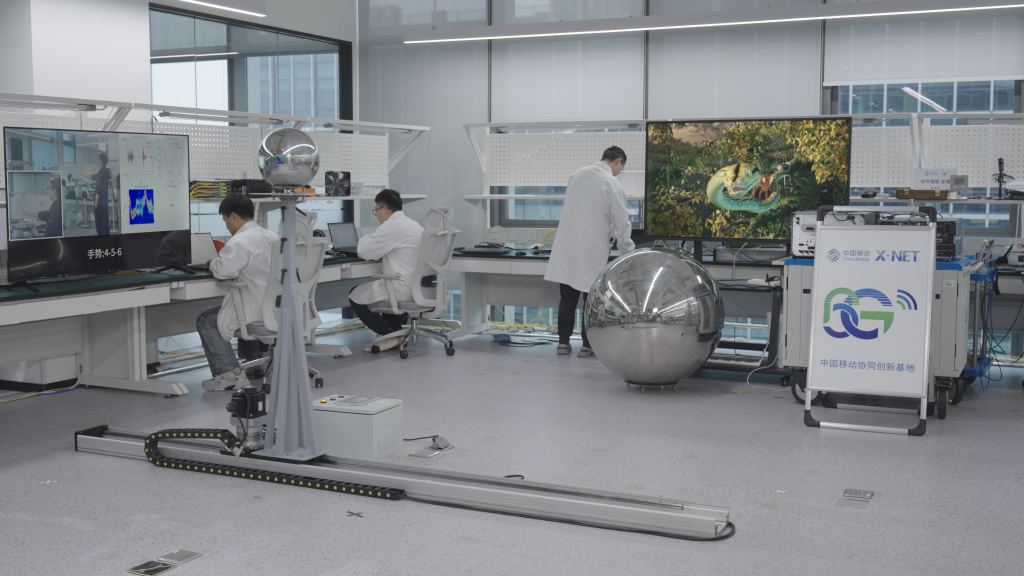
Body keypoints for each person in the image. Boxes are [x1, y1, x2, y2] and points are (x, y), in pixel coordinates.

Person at [544, 146, 636, 357]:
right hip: (590, 250)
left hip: (567, 248)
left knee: (567, 300)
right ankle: (587, 346)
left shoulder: (577, 175)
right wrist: (628, 251)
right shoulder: (611, 183)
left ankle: (563, 344)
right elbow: (621, 223)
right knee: (591, 301)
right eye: (621, 168)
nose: (619, 172)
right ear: (618, 161)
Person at [196, 194, 278, 391]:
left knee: (206, 320)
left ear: (233, 216)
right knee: (239, 308)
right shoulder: (274, 237)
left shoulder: (240, 240)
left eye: (225, 220)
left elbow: (223, 271)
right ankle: (254, 361)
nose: (226, 226)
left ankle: (229, 374)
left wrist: (212, 263)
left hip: (254, 309)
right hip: (277, 307)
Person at [348, 189, 424, 353]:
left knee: (354, 294)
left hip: (402, 288)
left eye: (376, 210)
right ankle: (396, 333)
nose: (376, 214)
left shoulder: (391, 226)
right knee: (384, 289)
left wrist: (365, 237)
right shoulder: (413, 224)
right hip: (420, 288)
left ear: (385, 209)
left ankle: (387, 334)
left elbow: (364, 251)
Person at [93, 152, 111, 236]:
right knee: (105, 225)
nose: (97, 161)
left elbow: (98, 189)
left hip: (100, 204)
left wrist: (96, 203)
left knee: (100, 226)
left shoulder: (101, 172)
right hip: (104, 203)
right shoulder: (106, 172)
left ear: (101, 161)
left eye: (98, 159)